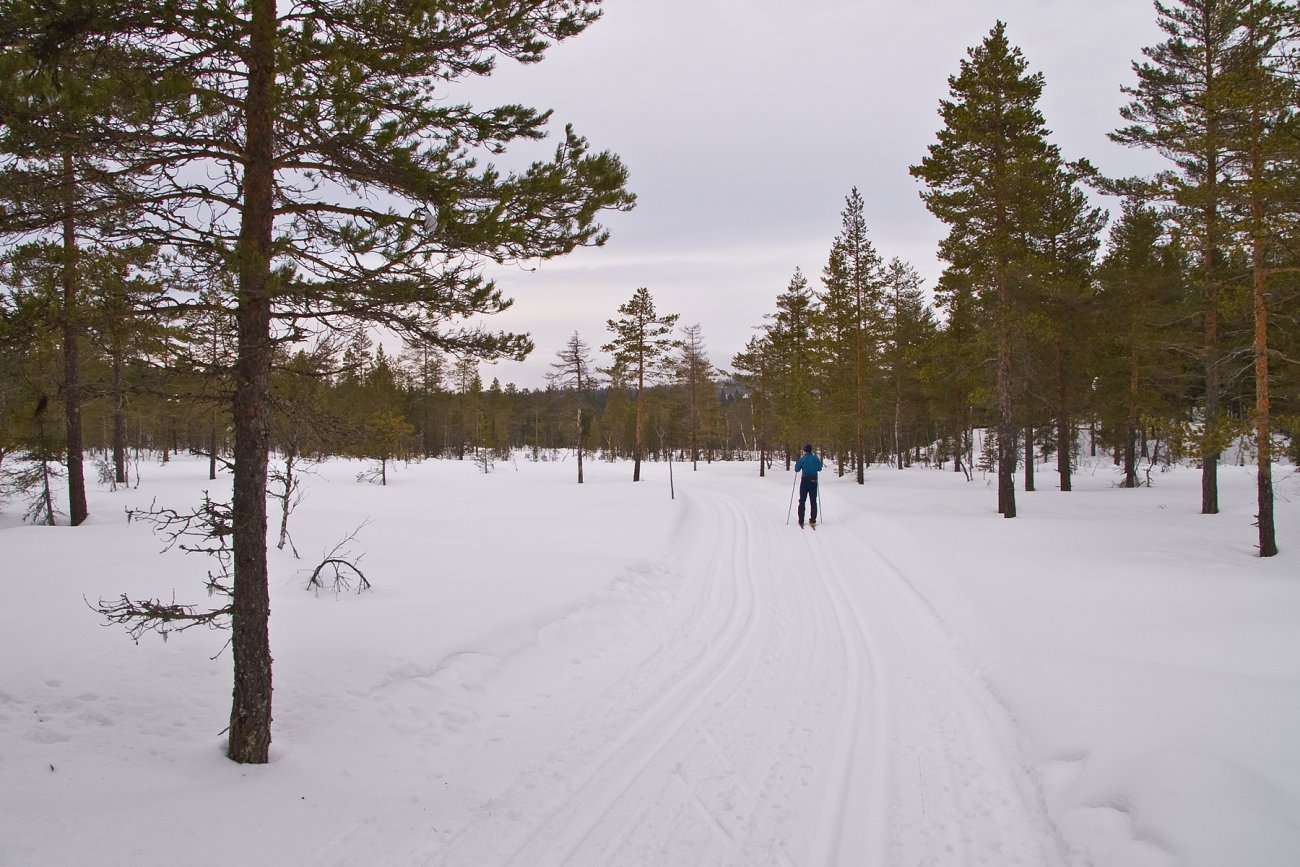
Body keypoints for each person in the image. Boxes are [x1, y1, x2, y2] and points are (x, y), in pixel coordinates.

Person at [794, 444, 823, 528]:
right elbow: (819, 468)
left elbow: (797, 469)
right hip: (814, 481)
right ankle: (813, 520)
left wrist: (798, 464)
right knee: (813, 501)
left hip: (805, 481)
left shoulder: (803, 459)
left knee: (802, 500)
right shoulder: (816, 458)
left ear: (805, 451)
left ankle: (801, 520)